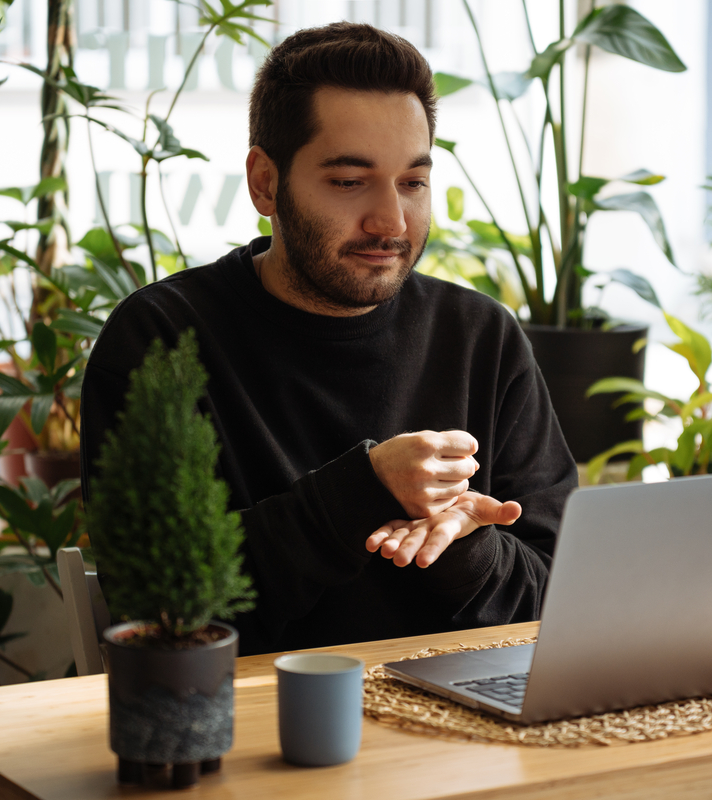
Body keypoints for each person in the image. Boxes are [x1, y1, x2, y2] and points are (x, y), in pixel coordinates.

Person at [80, 21, 577, 656]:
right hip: (254, 730)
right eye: (349, 181)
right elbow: (159, 610)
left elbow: (560, 600)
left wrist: (464, 543)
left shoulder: (481, 338)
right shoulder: (161, 341)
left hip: (467, 738)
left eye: (413, 182)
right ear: (266, 182)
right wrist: (364, 489)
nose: (390, 220)